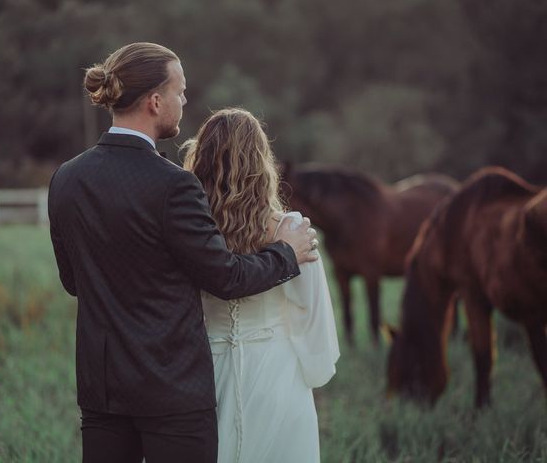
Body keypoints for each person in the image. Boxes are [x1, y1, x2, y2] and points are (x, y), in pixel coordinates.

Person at [48, 42, 319, 463]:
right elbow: (226, 278)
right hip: (171, 391)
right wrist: (285, 252)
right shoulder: (174, 185)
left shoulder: (66, 178)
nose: (185, 101)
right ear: (156, 102)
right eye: (180, 91)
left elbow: (73, 281)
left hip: (102, 387)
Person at [183, 108, 340, 463]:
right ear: (261, 162)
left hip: (206, 372)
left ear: (200, 162)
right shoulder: (291, 230)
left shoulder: (189, 231)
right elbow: (313, 314)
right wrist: (312, 369)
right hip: (277, 375)